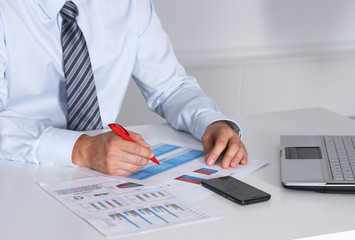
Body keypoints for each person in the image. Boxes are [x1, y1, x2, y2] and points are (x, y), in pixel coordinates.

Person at [0, 0, 248, 176]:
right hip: (15, 171)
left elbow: (170, 87)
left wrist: (210, 122)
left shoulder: (129, 4)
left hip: (99, 178)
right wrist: (82, 148)